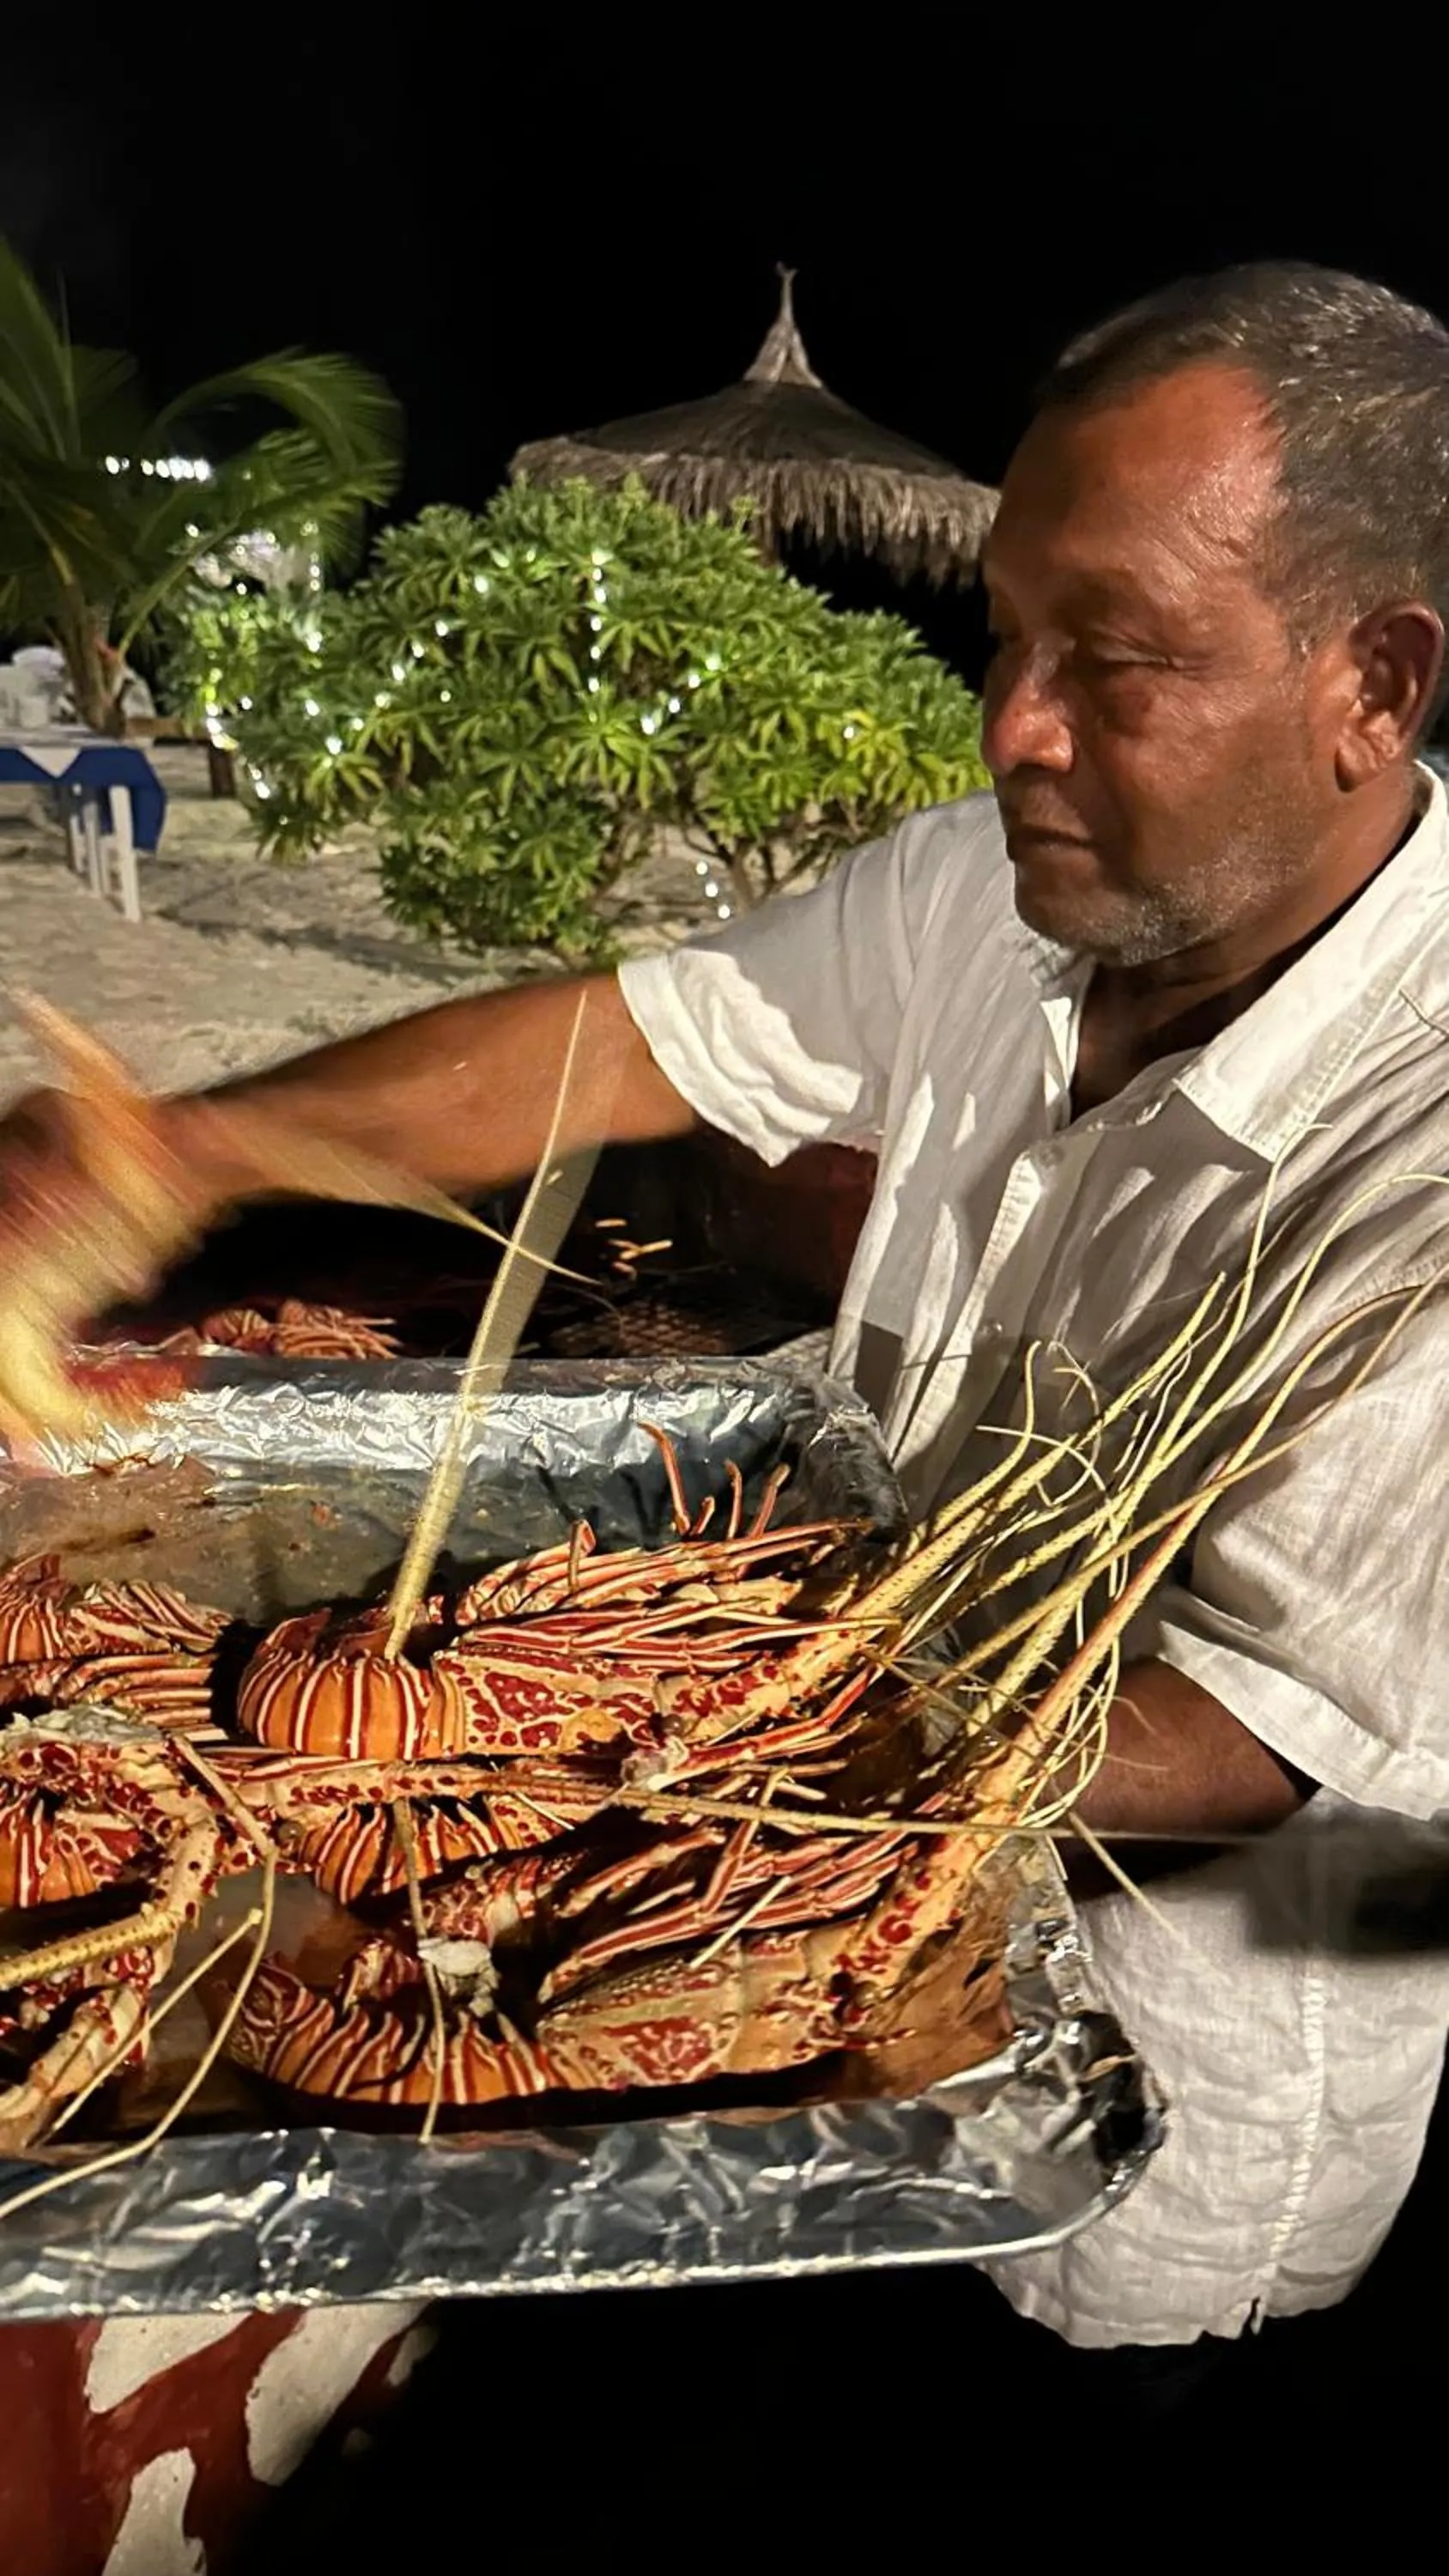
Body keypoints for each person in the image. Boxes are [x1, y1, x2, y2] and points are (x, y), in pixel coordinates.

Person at [7, 259, 1449, 2369]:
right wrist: (174, 1152)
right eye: (1006, 636)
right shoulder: (989, 894)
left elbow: (1254, 1740)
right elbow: (618, 1043)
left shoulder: (1422, 1150)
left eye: (1116, 657)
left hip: (1150, 2126)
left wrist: (646, 1704)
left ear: (1371, 684)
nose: (1012, 725)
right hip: (753, 1976)